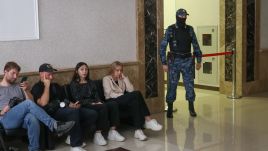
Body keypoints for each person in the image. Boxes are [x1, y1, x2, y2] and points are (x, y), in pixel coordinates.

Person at [0, 61, 75, 151]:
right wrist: (2, 111)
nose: (15, 77)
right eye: (13, 73)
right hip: (6, 119)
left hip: (22, 117)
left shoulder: (18, 86)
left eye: (17, 74)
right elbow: (28, 104)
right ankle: (54, 125)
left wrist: (26, 90)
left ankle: (34, 149)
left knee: (32, 118)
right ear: (5, 71)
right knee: (27, 106)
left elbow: (31, 103)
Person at [31, 63, 96, 151]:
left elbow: (64, 100)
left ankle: (71, 135)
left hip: (62, 109)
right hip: (50, 114)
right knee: (73, 112)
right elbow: (43, 103)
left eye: (52, 73)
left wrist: (72, 104)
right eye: (48, 73)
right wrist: (47, 86)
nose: (51, 76)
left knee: (92, 114)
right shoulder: (37, 87)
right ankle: (75, 145)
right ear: (41, 74)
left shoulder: (56, 86)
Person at [102, 61, 162, 141]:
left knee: (135, 101)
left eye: (121, 70)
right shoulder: (106, 79)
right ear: (112, 70)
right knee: (137, 93)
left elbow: (131, 90)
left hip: (122, 100)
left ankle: (138, 130)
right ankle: (148, 119)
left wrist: (125, 79)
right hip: (112, 101)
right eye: (117, 70)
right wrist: (124, 96)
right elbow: (108, 93)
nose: (119, 72)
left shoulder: (121, 79)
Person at [159, 8, 202, 118]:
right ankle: (170, 107)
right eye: (181, 16)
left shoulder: (190, 29)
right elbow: (162, 47)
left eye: (185, 16)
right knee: (172, 85)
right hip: (174, 62)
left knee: (189, 85)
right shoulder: (170, 29)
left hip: (187, 61)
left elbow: (195, 45)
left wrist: (199, 60)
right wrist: (164, 63)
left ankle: (191, 107)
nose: (183, 18)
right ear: (177, 17)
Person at [70, 62, 125, 146]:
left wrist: (98, 101)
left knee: (113, 104)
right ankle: (97, 135)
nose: (84, 71)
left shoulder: (91, 82)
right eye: (82, 69)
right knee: (102, 107)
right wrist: (93, 103)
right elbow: (77, 99)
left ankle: (112, 131)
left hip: (95, 103)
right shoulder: (74, 84)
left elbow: (96, 95)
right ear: (77, 71)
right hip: (84, 105)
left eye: (86, 69)